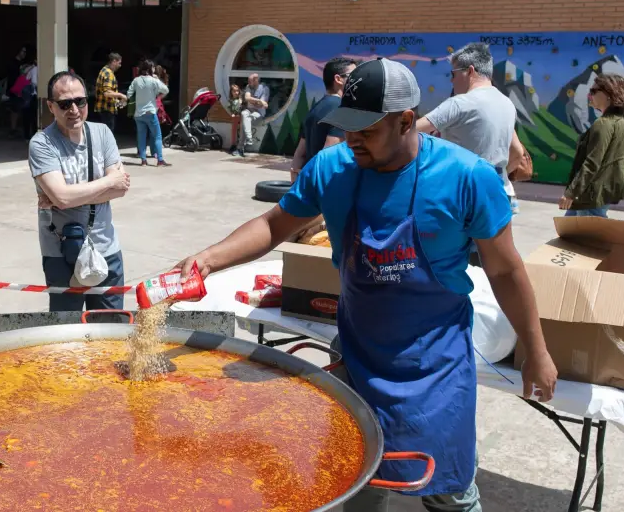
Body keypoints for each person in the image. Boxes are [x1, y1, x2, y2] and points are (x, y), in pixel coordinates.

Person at [177, 58, 557, 512]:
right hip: (357, 355)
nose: (353, 139)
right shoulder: (332, 168)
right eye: (348, 127)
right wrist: (209, 258)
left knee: (449, 491)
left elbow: (506, 271)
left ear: (406, 121)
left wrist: (536, 351)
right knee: (358, 481)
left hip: (434, 367)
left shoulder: (467, 178)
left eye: (367, 130)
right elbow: (274, 225)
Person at [30, 71, 130, 312]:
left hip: (106, 248)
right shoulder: (42, 143)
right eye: (65, 104)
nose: (74, 109)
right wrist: (108, 181)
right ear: (51, 106)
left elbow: (120, 188)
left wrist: (63, 197)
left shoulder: (102, 133)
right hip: (61, 252)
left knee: (111, 326)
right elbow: (63, 197)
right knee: (67, 327)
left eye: (80, 101)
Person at [416, 43, 522, 214]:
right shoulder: (507, 103)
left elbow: (410, 130)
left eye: (453, 74)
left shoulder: (460, 103)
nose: (451, 80)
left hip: (464, 196)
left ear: (470, 71)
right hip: (500, 194)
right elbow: (517, 152)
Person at [560, 74, 624, 217]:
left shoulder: (604, 123)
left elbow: (592, 162)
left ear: (609, 94)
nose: (590, 95)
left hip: (592, 193)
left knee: (587, 230)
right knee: (568, 227)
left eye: (594, 91)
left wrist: (571, 193)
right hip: (598, 191)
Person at [290, 57, 356, 182]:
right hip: (330, 183)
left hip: (313, 183)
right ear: (338, 79)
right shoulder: (340, 108)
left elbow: (299, 154)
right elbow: (330, 155)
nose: (358, 80)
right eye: (354, 76)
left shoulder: (316, 108)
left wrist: (296, 183)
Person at [126, 59, 171, 168]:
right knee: (157, 136)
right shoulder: (153, 80)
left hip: (138, 114)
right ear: (151, 68)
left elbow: (128, 93)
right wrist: (158, 93)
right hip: (150, 112)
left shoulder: (136, 80)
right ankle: (160, 160)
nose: (154, 69)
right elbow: (166, 90)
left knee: (141, 137)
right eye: (153, 67)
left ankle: (143, 160)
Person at [235, 73, 270, 156]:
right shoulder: (248, 86)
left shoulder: (264, 89)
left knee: (244, 120)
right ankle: (249, 138)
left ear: (256, 80)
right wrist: (259, 100)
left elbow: (260, 106)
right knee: (244, 113)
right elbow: (247, 98)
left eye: (250, 81)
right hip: (249, 110)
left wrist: (255, 102)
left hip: (259, 113)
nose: (248, 82)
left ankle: (241, 147)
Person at [93, 52, 126, 131]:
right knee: (108, 133)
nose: (120, 66)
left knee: (104, 133)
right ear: (114, 61)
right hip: (106, 109)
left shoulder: (104, 70)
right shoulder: (108, 73)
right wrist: (122, 96)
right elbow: (107, 93)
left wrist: (116, 101)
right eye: (119, 63)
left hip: (104, 108)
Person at [225, 84, 243, 154]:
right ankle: (233, 144)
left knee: (240, 130)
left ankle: (240, 145)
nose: (236, 93)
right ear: (231, 92)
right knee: (234, 130)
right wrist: (232, 113)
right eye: (234, 91)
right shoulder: (231, 100)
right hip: (235, 116)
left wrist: (240, 102)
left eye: (237, 91)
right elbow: (230, 107)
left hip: (241, 116)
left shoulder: (240, 100)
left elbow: (242, 107)